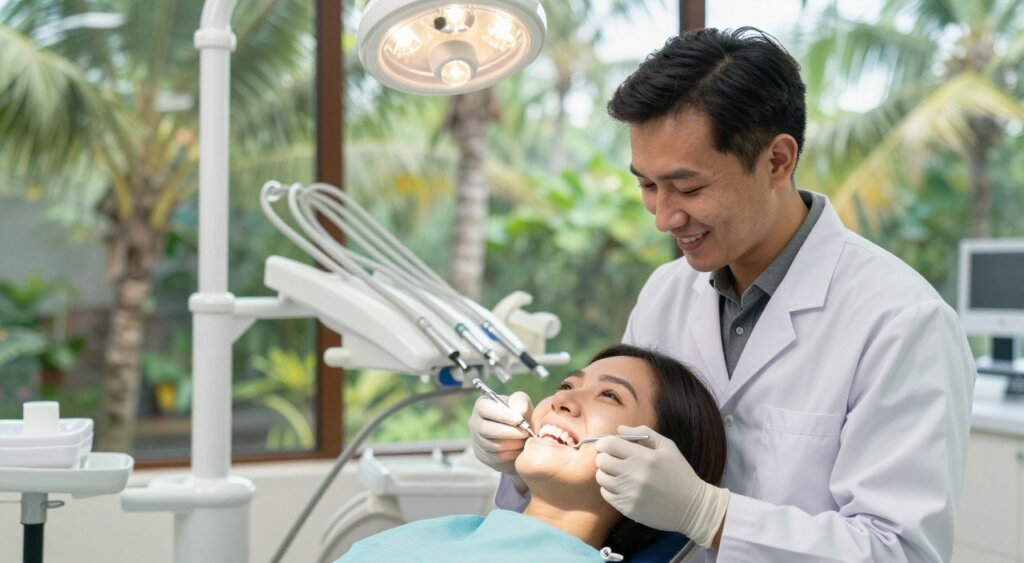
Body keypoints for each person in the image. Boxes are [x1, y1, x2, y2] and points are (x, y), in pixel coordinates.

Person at [470, 27, 976, 562]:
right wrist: (522, 462)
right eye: (647, 185)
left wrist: (712, 515)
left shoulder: (902, 322)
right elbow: (606, 490)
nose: (665, 216)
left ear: (778, 161)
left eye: (688, 188)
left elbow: (901, 552)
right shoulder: (667, 293)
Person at [337, 344, 726, 562]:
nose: (564, 400)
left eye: (610, 395)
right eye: (567, 385)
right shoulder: (441, 537)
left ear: (655, 461)